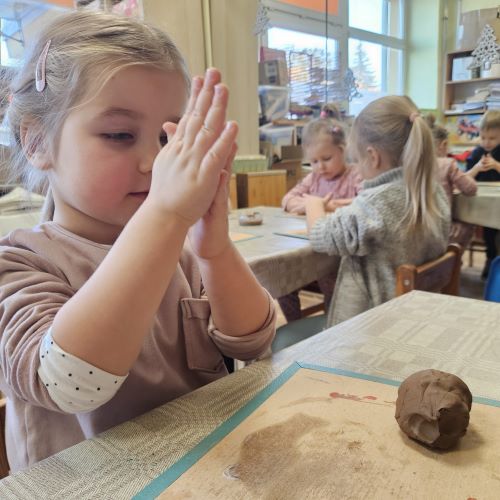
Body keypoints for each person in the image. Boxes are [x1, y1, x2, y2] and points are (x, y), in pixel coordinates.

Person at [0, 11, 275, 472]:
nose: (154, 162)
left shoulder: (182, 252)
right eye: (119, 135)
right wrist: (165, 216)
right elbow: (69, 383)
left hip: (194, 468)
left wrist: (214, 251)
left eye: (169, 139)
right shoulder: (21, 263)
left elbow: (252, 342)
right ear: (37, 142)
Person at [305, 96, 450, 327]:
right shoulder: (433, 192)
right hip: (416, 321)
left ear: (373, 156)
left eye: (358, 159)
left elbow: (321, 236)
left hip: (369, 328)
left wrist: (313, 203)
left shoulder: (376, 203)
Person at [279, 118, 362, 322]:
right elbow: (287, 200)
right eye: (314, 161)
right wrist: (313, 205)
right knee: (282, 280)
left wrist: (324, 205)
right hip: (309, 248)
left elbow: (364, 202)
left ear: (342, 150)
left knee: (330, 282)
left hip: (339, 255)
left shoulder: (355, 175)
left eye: (326, 158)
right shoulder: (313, 178)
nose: (320, 167)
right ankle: (295, 324)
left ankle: (331, 321)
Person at [425, 114, 477, 248]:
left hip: (418, 231)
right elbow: (470, 189)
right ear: (444, 145)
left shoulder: (412, 165)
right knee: (468, 224)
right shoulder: (447, 164)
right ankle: (454, 258)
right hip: (442, 231)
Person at [465, 110, 500, 278]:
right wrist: (477, 168)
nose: (486, 142)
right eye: (483, 137)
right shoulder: (477, 152)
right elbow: (465, 178)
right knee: (489, 233)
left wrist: (497, 166)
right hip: (485, 204)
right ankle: (490, 259)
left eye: (492, 138)